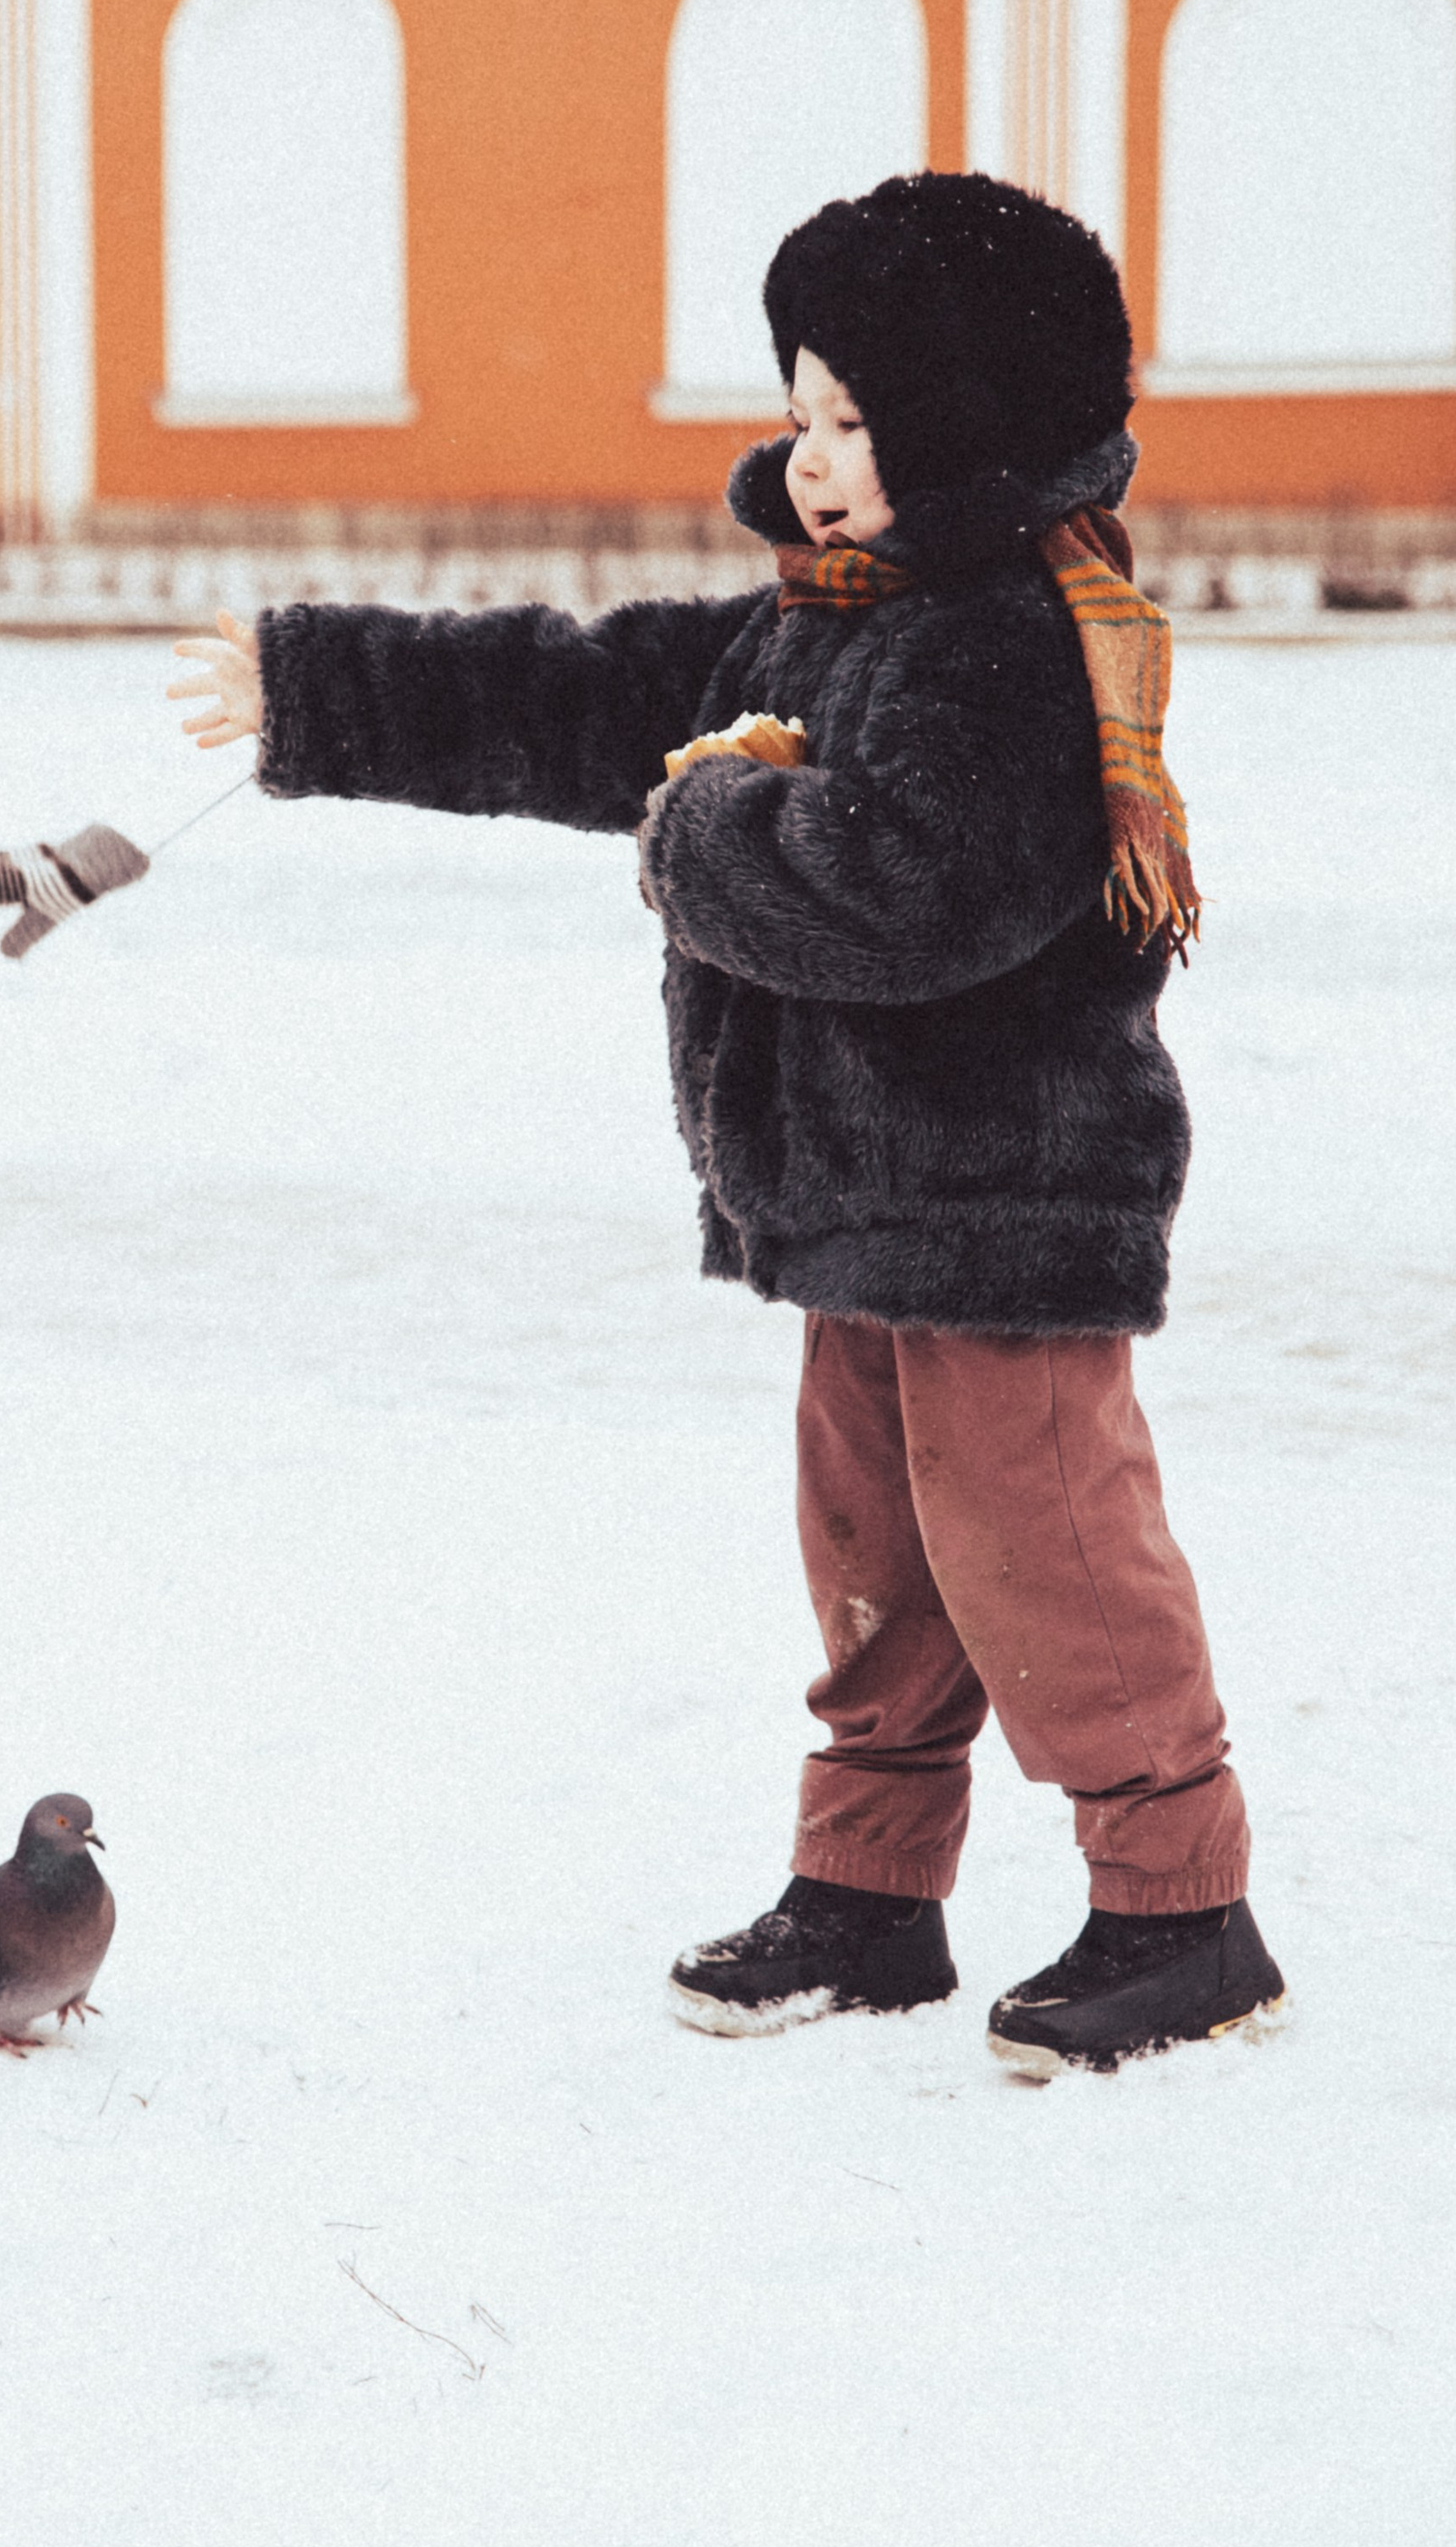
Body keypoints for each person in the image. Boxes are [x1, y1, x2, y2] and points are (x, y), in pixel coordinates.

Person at [168, 169, 1283, 2079]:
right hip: (854, 1204)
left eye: (856, 419)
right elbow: (583, 691)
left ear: (972, 426)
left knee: (1043, 1551)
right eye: (799, 408)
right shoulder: (827, 624)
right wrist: (316, 690)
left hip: (1009, 1213)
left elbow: (905, 889)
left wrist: (701, 820)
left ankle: (1178, 1907)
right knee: (872, 1558)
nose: (814, 455)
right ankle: (864, 1893)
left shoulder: (1008, 647)